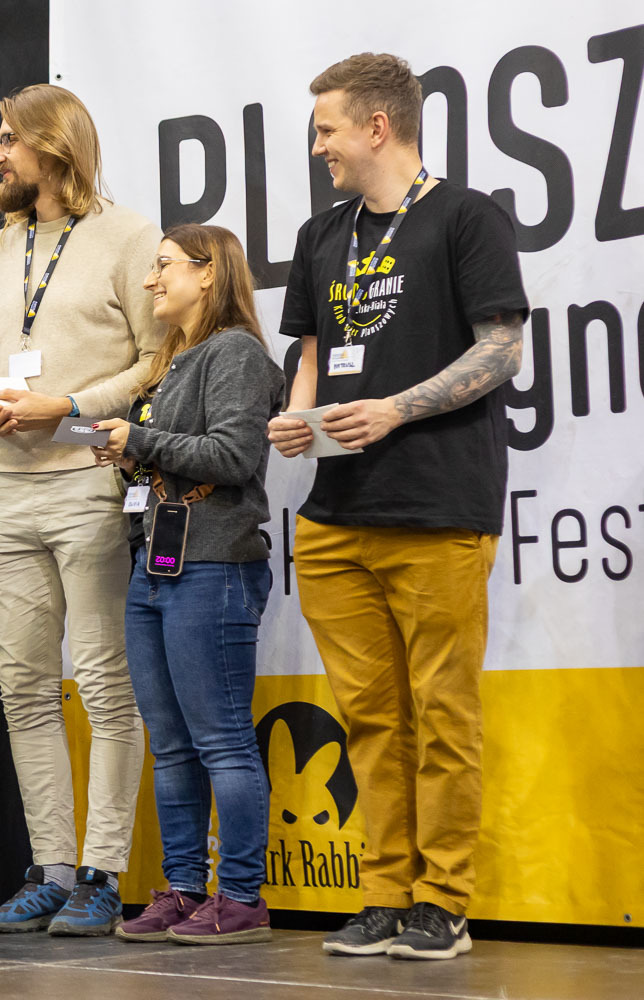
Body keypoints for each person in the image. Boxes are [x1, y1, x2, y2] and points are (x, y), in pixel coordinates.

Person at [267, 53, 528, 961]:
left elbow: (503, 349)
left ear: (378, 126)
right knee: (370, 719)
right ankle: (384, 893)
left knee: (443, 716)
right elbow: (312, 353)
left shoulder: (466, 216)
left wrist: (397, 408)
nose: (319, 147)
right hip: (336, 516)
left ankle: (443, 903)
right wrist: (297, 417)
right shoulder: (322, 233)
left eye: (327, 129)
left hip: (438, 506)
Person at [0, 84, 163, 937]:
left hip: (89, 480)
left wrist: (70, 407)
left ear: (53, 146)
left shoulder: (130, 237)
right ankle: (49, 870)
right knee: (23, 690)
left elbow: (156, 359)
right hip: (4, 490)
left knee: (107, 685)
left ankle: (102, 874)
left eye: (8, 140)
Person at [91, 225, 283, 945]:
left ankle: (242, 897)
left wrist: (137, 440)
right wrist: (128, 458)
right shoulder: (173, 360)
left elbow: (233, 455)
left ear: (209, 273)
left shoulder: (235, 352)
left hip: (214, 565)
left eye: (164, 265)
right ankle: (183, 889)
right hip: (155, 564)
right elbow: (174, 459)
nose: (151, 280)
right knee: (171, 744)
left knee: (221, 740)